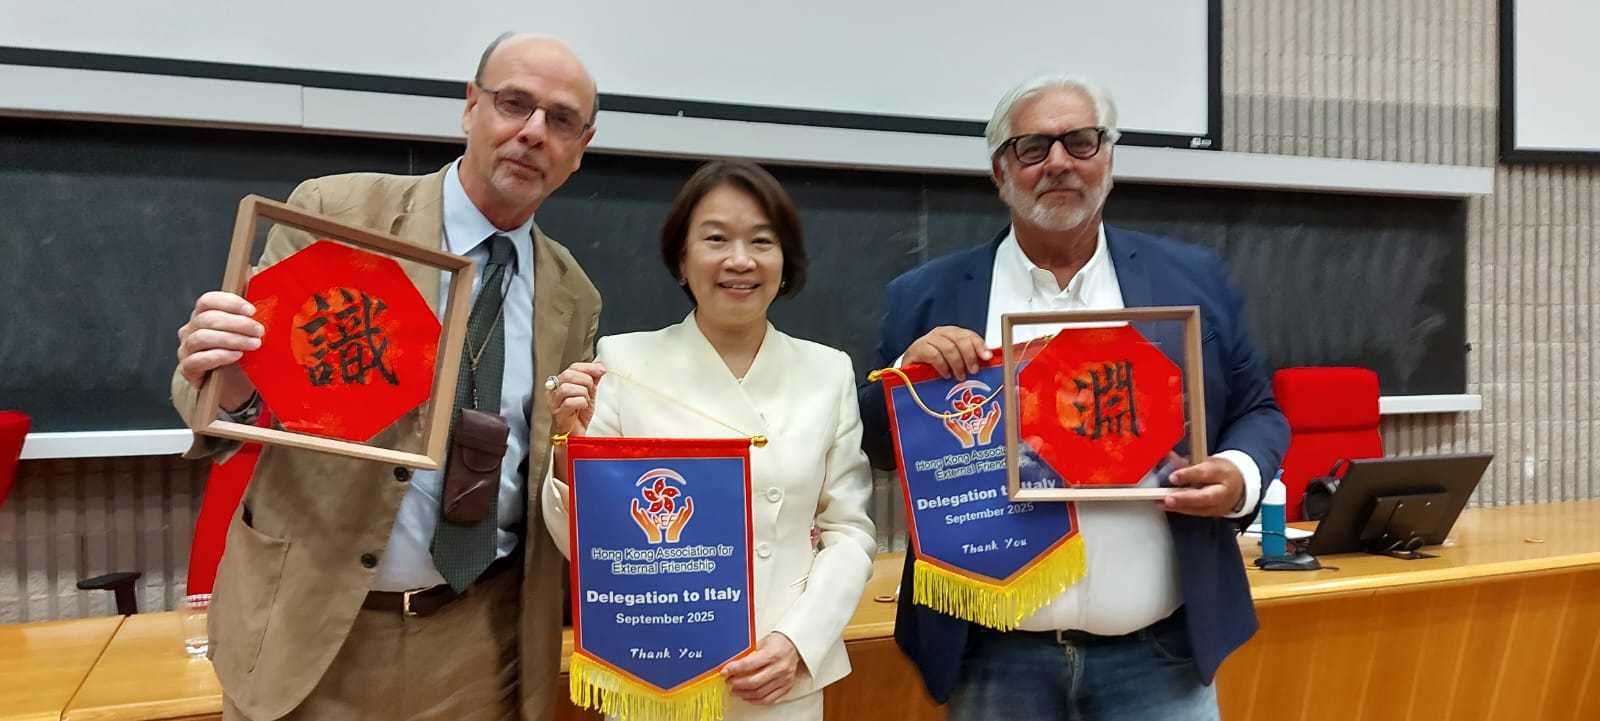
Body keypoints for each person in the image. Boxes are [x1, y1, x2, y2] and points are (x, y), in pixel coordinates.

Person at [171, 33, 602, 721]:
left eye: (560, 120)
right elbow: (233, 404)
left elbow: (550, 461)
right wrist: (229, 381)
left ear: (581, 147)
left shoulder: (572, 293)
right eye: (513, 104)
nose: (532, 132)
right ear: (471, 106)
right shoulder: (337, 215)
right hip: (310, 632)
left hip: (481, 645)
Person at [857, 75, 1290, 721]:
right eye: (1033, 147)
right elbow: (876, 446)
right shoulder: (926, 296)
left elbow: (1259, 409)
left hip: (1161, 658)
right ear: (1000, 172)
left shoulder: (1191, 279)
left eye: (1080, 142)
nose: (1058, 162)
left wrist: (1239, 473)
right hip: (993, 658)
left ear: (1108, 158)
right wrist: (906, 379)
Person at [544, 160, 876, 721]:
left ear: (785, 260)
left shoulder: (827, 372)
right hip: (657, 672)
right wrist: (566, 448)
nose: (740, 260)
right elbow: (590, 547)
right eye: (716, 239)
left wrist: (799, 641)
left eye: (762, 241)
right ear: (682, 258)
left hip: (778, 676)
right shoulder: (624, 362)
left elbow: (849, 530)